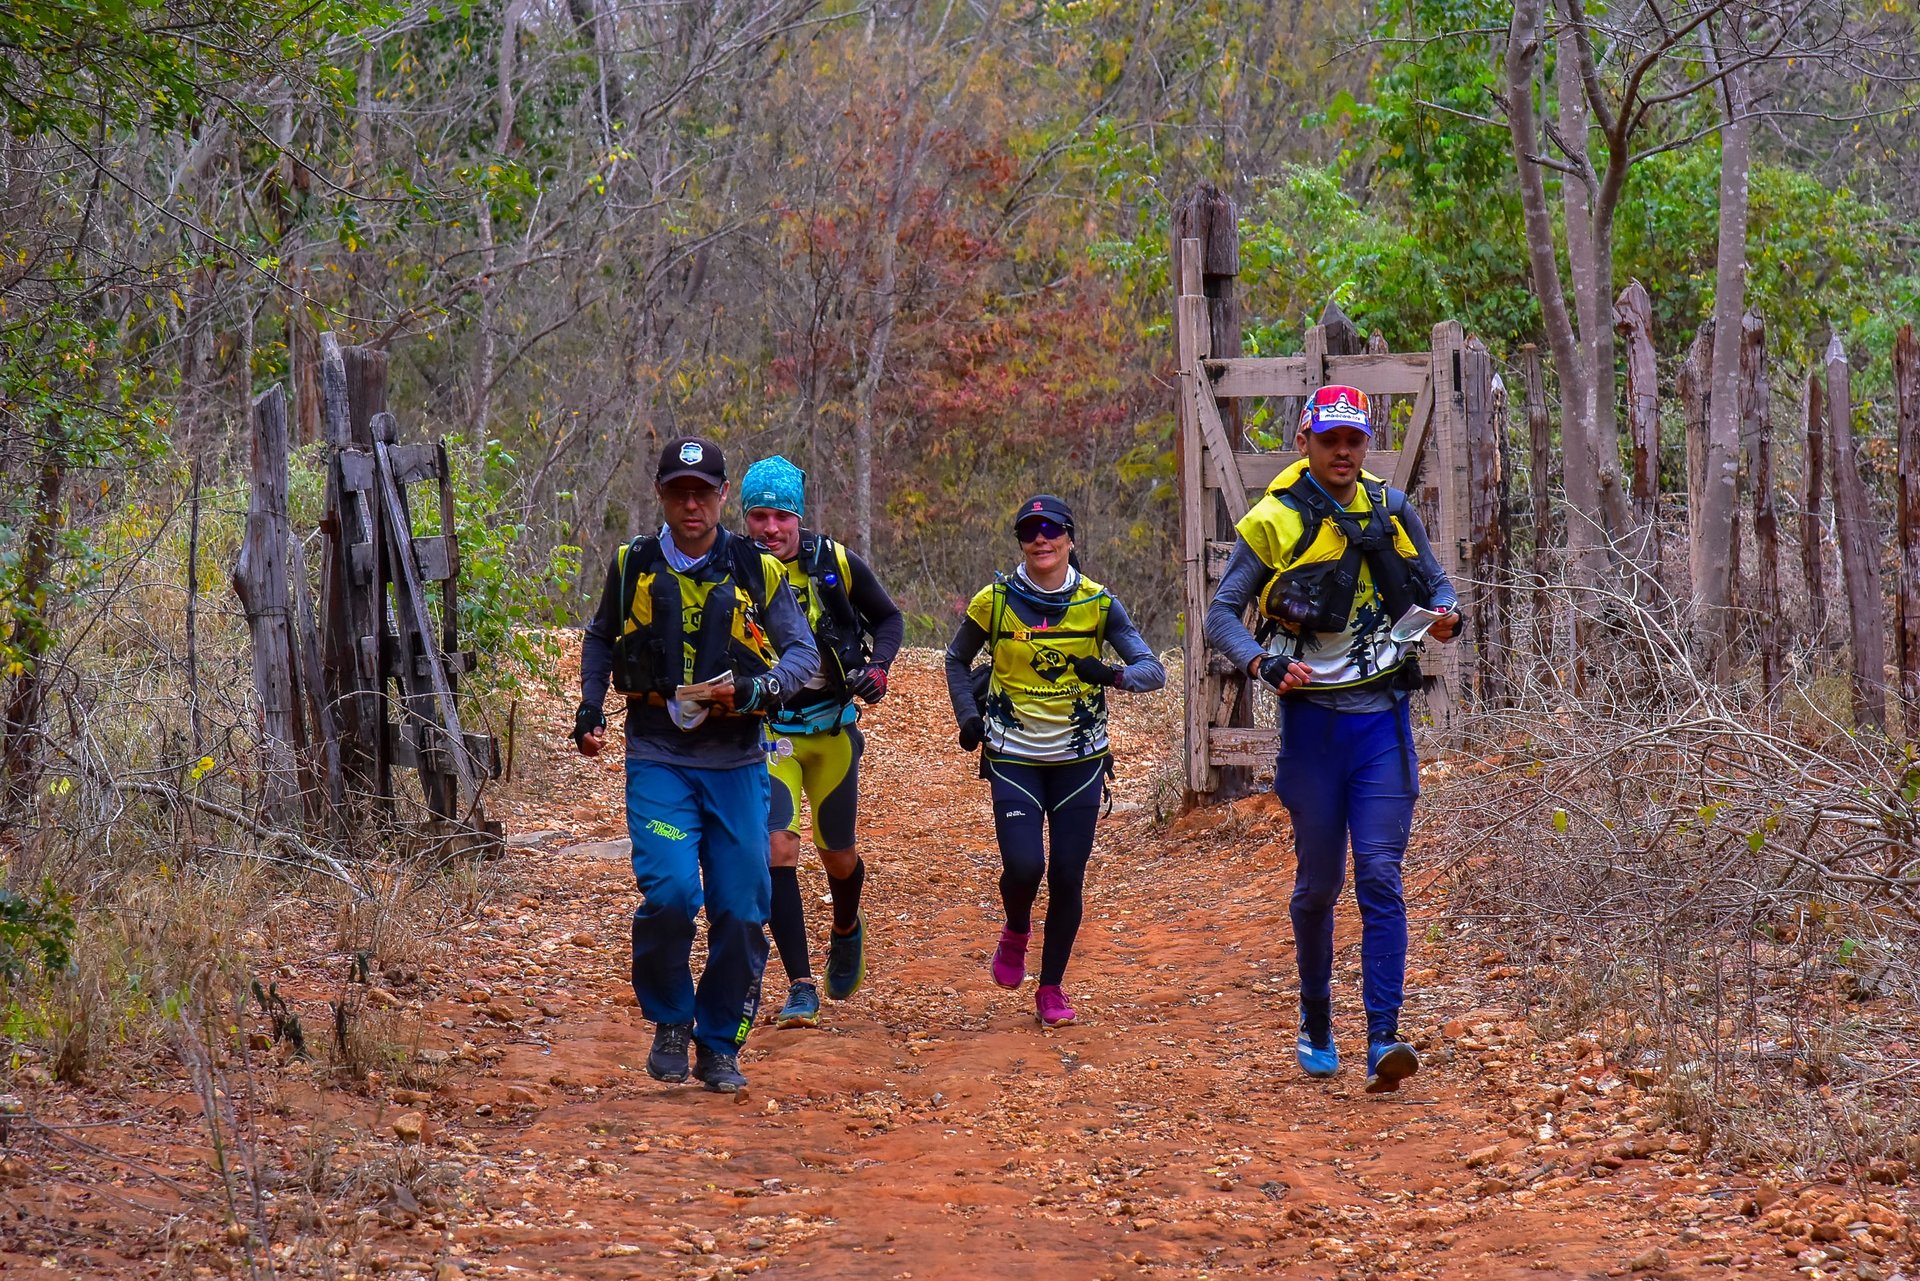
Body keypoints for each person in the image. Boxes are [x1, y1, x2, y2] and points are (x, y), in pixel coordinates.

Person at [1204, 384, 1460, 1094]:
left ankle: (1384, 1036)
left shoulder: (1391, 506)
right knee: (1320, 886)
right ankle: (1317, 1019)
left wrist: (1446, 618)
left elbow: (1441, 587)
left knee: (1380, 871)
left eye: (1354, 440)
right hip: (1312, 724)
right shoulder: (1274, 520)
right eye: (1329, 440)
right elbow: (1219, 615)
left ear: (1365, 443)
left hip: (1382, 720)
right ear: (1305, 441)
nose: (1343, 452)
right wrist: (1262, 660)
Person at [573, 435, 819, 1094]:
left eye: (703, 492)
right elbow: (600, 636)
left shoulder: (755, 567)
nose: (691, 504)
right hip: (659, 755)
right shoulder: (632, 564)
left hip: (738, 760)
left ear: (721, 496)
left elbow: (803, 656)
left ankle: (719, 1044)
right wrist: (590, 705)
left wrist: (759, 688)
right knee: (673, 893)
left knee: (742, 908)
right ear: (661, 494)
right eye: (679, 492)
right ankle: (670, 1020)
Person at [942, 495, 1165, 1027]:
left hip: (1079, 758)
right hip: (1011, 754)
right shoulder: (994, 601)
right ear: (1020, 541)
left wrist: (1109, 675)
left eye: (1051, 529)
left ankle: (1051, 987)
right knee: (1025, 866)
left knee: (1067, 875)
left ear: (1070, 537)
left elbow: (1152, 670)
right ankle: (1016, 928)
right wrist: (968, 715)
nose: (1040, 539)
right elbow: (956, 659)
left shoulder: (1099, 602)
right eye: (1029, 530)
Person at [738, 455, 905, 1029]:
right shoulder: (734, 568)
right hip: (769, 731)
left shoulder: (834, 562)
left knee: (836, 850)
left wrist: (878, 669)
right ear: (743, 519)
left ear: (800, 519)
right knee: (778, 847)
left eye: (782, 516)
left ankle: (846, 924)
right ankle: (799, 983)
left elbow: (889, 619)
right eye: (758, 516)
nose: (770, 529)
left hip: (832, 728)